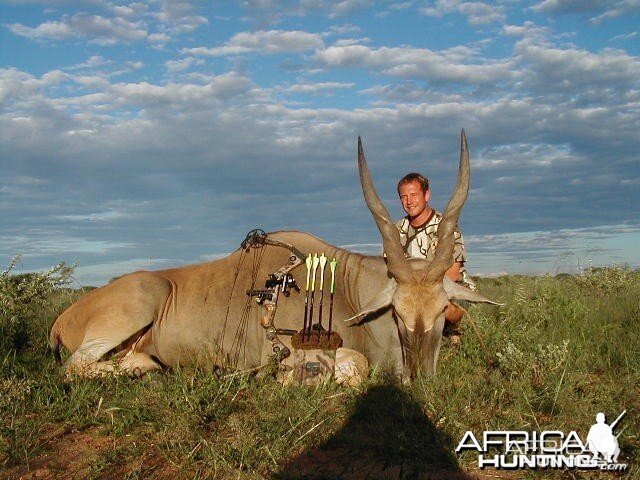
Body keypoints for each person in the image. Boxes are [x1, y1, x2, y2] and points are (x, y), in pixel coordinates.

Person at [396, 172, 475, 345]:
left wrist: (422, 296)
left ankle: (453, 331)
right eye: (404, 197)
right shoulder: (396, 230)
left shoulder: (446, 226)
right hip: (411, 292)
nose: (409, 201)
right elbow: (389, 269)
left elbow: (453, 273)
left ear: (427, 195)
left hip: (446, 288)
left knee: (449, 309)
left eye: (414, 195)